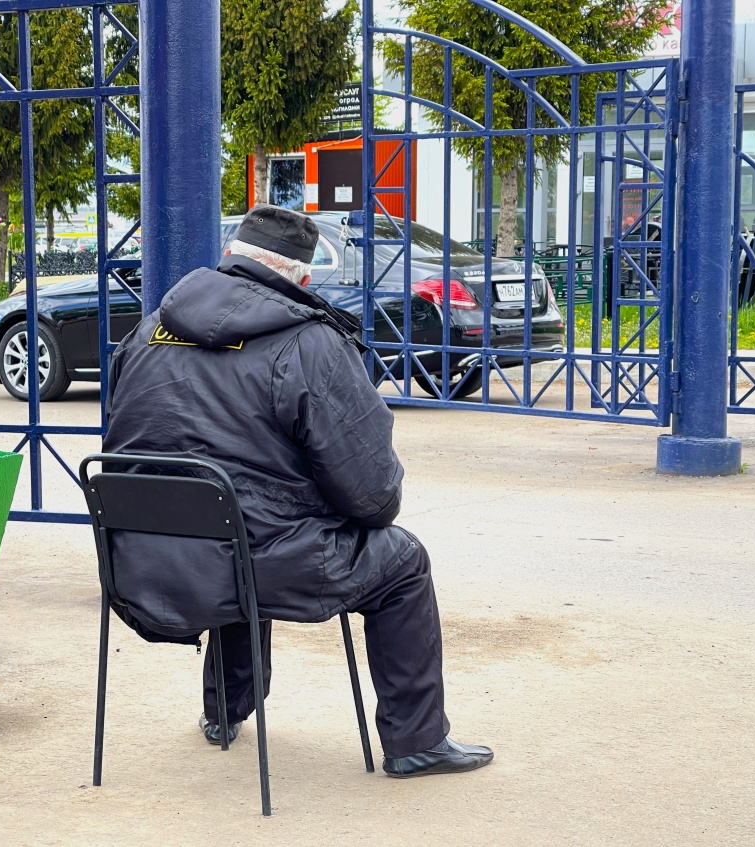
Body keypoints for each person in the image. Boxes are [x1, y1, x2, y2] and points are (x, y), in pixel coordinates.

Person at [102, 204, 493, 777]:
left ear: (229, 258)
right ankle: (417, 743)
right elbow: (374, 499)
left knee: (230, 519)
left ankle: (224, 710)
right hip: (256, 561)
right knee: (402, 561)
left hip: (139, 559)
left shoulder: (147, 329)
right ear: (303, 279)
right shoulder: (310, 343)